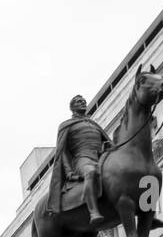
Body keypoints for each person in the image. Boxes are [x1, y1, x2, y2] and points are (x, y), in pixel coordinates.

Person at [47, 94, 113, 228]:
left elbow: (106, 141)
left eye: (83, 101)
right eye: (78, 102)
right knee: (91, 172)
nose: (83, 103)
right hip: (82, 160)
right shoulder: (66, 125)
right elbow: (62, 151)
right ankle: (93, 211)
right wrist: (69, 171)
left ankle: (149, 212)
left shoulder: (93, 124)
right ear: (72, 108)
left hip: (101, 157)